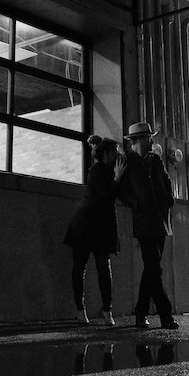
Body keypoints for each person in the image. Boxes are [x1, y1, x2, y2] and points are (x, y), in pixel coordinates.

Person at [118, 122, 179, 329]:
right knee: (154, 267)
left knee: (151, 269)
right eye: (147, 138)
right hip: (144, 221)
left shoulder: (155, 160)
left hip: (160, 219)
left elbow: (166, 180)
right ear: (138, 140)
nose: (151, 141)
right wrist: (136, 204)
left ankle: (141, 312)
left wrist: (169, 199)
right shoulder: (126, 161)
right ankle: (165, 314)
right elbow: (122, 189)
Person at [63, 135, 127, 326]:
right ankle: (80, 310)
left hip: (100, 225)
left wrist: (117, 177)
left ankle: (107, 310)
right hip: (85, 224)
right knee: (81, 267)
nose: (118, 153)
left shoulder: (112, 169)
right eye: (115, 150)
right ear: (107, 153)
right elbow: (106, 198)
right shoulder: (96, 171)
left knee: (103, 267)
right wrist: (117, 179)